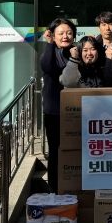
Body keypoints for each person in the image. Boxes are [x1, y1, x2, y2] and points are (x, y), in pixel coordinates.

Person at [40, 18, 76, 193]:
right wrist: (48, 44)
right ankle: (54, 188)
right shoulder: (50, 53)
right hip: (54, 111)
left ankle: (73, 185)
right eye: (60, 33)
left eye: (69, 33)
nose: (65, 36)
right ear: (53, 36)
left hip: (75, 111)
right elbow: (47, 67)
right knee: (55, 150)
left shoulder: (76, 52)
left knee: (74, 149)